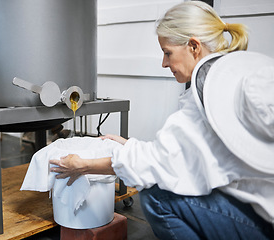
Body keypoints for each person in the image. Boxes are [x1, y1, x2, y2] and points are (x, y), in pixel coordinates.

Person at [50, 1, 274, 239]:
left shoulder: (210, 92)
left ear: (194, 46)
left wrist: (82, 165)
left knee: (156, 194)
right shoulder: (230, 78)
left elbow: (159, 164)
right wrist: (130, 146)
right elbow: (182, 153)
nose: (164, 63)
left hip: (265, 222)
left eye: (168, 52)